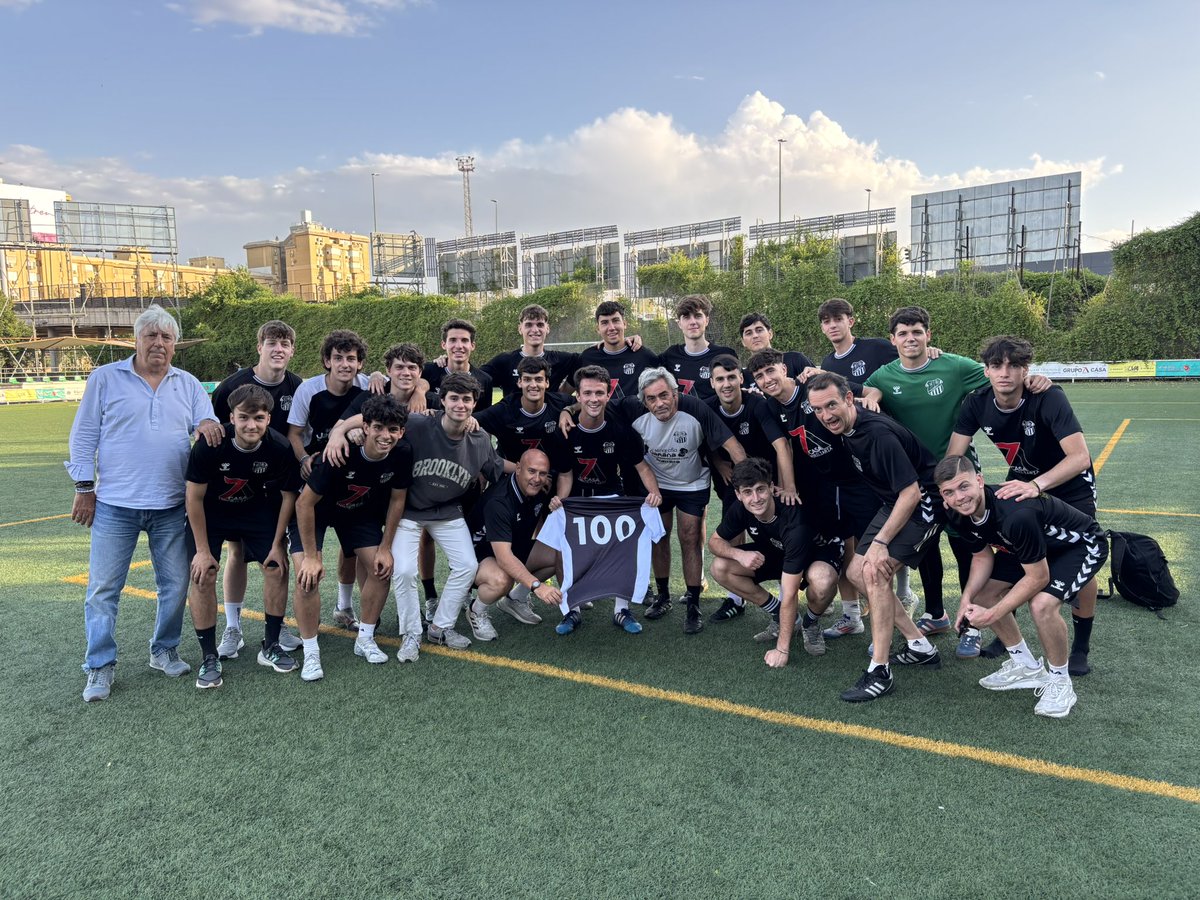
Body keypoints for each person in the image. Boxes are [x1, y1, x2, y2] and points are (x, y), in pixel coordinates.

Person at [861, 306, 1047, 654]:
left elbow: (1000, 374)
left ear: (929, 335)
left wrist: (1033, 378)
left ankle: (972, 626)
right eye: (902, 333)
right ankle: (936, 613)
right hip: (916, 479)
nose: (910, 338)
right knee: (926, 548)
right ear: (893, 340)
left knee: (968, 547)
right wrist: (871, 395)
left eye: (917, 331)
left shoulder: (954, 366)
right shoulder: (884, 376)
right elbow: (869, 390)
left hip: (956, 474)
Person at [68, 304, 224, 703]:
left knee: (174, 585)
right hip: (114, 504)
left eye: (166, 338)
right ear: (136, 340)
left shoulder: (187, 383)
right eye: (151, 336)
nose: (159, 343)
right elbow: (84, 434)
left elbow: (205, 424)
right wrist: (84, 487)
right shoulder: (105, 378)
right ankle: (100, 666)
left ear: (174, 345)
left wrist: (206, 424)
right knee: (103, 589)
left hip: (172, 504)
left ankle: (164, 649)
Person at [948, 336, 1099, 674]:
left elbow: (1079, 457)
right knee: (1014, 548)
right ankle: (1007, 633)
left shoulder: (1047, 397)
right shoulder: (976, 403)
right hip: (1024, 477)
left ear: (1025, 370)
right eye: (997, 366)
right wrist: (956, 490)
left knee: (1080, 555)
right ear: (985, 371)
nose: (1006, 373)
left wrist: (1035, 486)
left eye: (1014, 366)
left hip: (1069, 485)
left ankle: (1081, 645)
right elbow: (953, 457)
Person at [806, 372, 945, 703]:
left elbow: (911, 492)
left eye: (831, 405)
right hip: (895, 501)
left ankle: (879, 670)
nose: (826, 416)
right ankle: (919, 646)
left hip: (924, 502)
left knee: (874, 571)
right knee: (855, 572)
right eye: (818, 410)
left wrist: (881, 543)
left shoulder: (878, 435)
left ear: (849, 400)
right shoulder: (848, 428)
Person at [936, 455, 1107, 718]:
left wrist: (990, 616)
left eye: (964, 486)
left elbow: (1037, 578)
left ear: (979, 481)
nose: (958, 497)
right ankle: (1025, 666)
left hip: (1078, 545)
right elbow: (982, 557)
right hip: (1029, 546)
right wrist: (967, 599)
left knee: (1042, 605)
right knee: (983, 595)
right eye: (949, 492)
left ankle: (1060, 682)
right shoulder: (957, 514)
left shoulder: (1016, 514)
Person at [748, 349, 881, 643]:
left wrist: (872, 398)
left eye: (771, 371)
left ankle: (871, 613)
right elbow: (783, 447)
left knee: (862, 548)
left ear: (784, 369)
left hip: (853, 477)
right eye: (759, 376)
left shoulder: (814, 385)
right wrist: (790, 487)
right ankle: (852, 614)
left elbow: (870, 390)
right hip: (816, 485)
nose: (767, 379)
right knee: (842, 545)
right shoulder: (769, 406)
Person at [603, 366, 746, 634]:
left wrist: (748, 486)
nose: (659, 403)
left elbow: (731, 444)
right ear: (642, 401)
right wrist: (568, 410)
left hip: (692, 482)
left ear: (675, 393)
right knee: (660, 536)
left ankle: (693, 603)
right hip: (657, 485)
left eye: (664, 395)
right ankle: (664, 596)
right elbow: (594, 402)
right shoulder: (631, 408)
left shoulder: (695, 407)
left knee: (690, 537)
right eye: (651, 399)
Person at [184, 385, 300, 688]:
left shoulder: (278, 446)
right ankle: (209, 656)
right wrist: (201, 550)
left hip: (256, 511)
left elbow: (289, 497)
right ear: (231, 418)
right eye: (244, 417)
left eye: (259, 418)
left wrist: (277, 545)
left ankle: (270, 645)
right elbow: (194, 498)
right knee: (203, 573)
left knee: (277, 567)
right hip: (212, 514)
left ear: (269, 418)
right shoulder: (210, 445)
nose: (252, 425)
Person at [292, 394, 412, 681]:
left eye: (393, 429)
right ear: (366, 426)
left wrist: (385, 547)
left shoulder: (403, 452)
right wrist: (310, 556)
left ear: (401, 432)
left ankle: (365, 638)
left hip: (357, 513)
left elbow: (397, 500)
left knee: (382, 569)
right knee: (307, 577)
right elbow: (303, 504)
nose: (386, 436)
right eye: (379, 427)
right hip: (317, 513)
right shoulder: (339, 454)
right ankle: (311, 651)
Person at [390, 373, 506, 659]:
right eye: (454, 398)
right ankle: (411, 634)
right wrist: (344, 430)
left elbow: (498, 468)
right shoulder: (418, 424)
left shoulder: (479, 440)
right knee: (404, 570)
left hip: (448, 511)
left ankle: (440, 627)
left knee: (467, 565)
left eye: (467, 399)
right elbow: (379, 421)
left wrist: (536, 469)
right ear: (442, 401)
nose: (460, 405)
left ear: (475, 403)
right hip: (410, 511)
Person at [208, 320, 304, 660]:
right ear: (259, 347)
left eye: (285, 343)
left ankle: (276, 629)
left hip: (279, 485)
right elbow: (211, 429)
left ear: (292, 350)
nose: (278, 349)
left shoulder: (298, 386)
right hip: (237, 484)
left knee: (278, 556)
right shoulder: (232, 386)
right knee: (236, 553)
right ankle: (233, 627)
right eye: (271, 343)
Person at [708, 458, 843, 664]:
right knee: (720, 567)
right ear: (738, 495)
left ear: (772, 487)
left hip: (817, 554)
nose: (755, 498)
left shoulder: (793, 521)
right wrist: (739, 555)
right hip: (778, 550)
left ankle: (810, 623)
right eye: (747, 492)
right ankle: (779, 616)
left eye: (760, 489)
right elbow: (714, 542)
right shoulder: (740, 508)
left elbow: (789, 594)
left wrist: (781, 650)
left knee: (822, 580)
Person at [287, 329, 371, 630]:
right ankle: (308, 628)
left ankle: (344, 607)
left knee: (350, 549)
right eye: (338, 358)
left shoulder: (368, 386)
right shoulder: (309, 390)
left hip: (351, 477)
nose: (345, 364)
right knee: (312, 556)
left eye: (351, 358)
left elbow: (408, 381)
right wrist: (304, 459)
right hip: (317, 475)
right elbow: (295, 434)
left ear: (360, 363)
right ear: (327, 361)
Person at [466, 449, 561, 639]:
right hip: (478, 555)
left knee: (557, 553)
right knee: (503, 578)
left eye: (542, 473)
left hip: (509, 545)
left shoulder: (541, 488)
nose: (537, 478)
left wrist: (556, 503)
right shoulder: (499, 501)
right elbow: (504, 558)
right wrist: (538, 586)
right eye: (531, 471)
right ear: (518, 469)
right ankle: (476, 610)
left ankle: (515, 599)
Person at [559, 365, 661, 502]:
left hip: (612, 496)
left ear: (608, 395)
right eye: (587, 393)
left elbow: (642, 467)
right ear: (578, 396)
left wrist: (655, 494)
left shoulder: (622, 426)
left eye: (599, 393)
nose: (594, 399)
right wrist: (560, 501)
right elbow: (565, 475)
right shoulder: (567, 429)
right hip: (578, 499)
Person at [480, 304, 582, 399]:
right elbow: (476, 378)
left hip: (549, 419)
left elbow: (587, 360)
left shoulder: (560, 360)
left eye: (540, 325)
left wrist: (562, 394)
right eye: (528, 325)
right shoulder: (505, 361)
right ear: (520, 329)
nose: (535, 330)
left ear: (547, 328)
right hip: (513, 418)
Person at [656, 295, 739, 402]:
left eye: (698, 316)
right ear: (679, 324)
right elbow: (642, 363)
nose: (693, 322)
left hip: (715, 418)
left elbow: (740, 390)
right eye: (686, 317)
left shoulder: (725, 355)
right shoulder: (670, 355)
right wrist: (631, 340)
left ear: (707, 320)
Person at [576, 300, 661, 399]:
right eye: (604, 323)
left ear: (624, 324)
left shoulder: (644, 355)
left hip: (636, 415)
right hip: (601, 415)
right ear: (598, 329)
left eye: (615, 320)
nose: (611, 327)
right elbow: (569, 391)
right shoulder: (587, 357)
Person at [817, 297, 899, 381]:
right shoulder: (827, 365)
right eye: (827, 322)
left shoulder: (878, 347)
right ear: (822, 328)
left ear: (850, 322)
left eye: (838, 319)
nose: (832, 325)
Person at [423, 318, 494, 411]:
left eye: (464, 340)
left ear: (472, 346)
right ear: (444, 344)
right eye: (453, 340)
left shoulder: (485, 380)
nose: (459, 346)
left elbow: (484, 416)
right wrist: (418, 391)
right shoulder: (428, 371)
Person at [737, 311, 817, 389]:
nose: (755, 335)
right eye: (749, 333)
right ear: (743, 342)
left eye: (759, 330)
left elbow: (821, 385)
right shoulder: (744, 377)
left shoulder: (795, 359)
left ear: (770, 334)